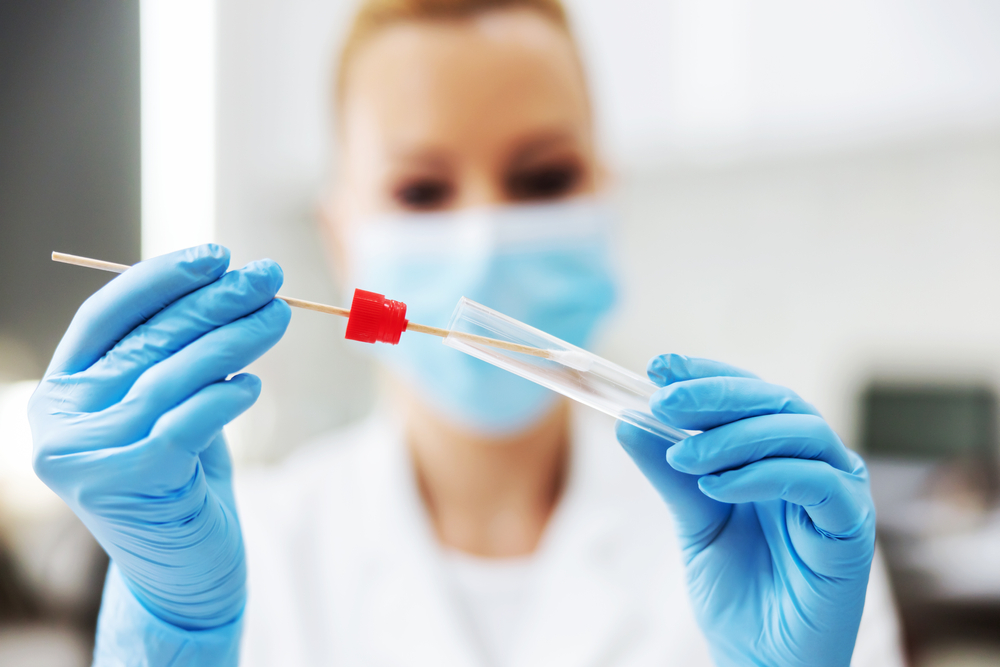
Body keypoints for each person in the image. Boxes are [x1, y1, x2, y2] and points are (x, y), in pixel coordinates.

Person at [28, 0, 905, 665]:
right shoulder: (249, 551)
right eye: (421, 190)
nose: (484, 236)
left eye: (542, 176)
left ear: (607, 196)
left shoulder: (781, 542)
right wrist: (173, 636)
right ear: (341, 236)